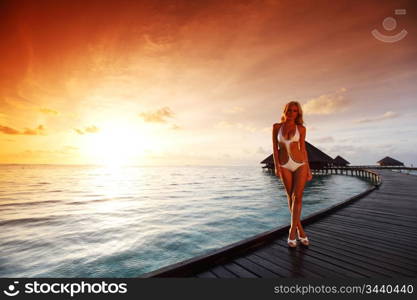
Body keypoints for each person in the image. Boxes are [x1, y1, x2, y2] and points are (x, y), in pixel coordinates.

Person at [272, 101, 312, 248]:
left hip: (300, 164)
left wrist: (308, 169)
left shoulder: (301, 129)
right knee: (290, 196)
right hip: (284, 165)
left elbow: (304, 149)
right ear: (285, 111)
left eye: (295, 111)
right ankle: (300, 230)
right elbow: (275, 149)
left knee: (297, 196)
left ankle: (291, 232)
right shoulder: (276, 127)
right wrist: (277, 167)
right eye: (289, 110)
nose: (291, 113)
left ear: (298, 113)